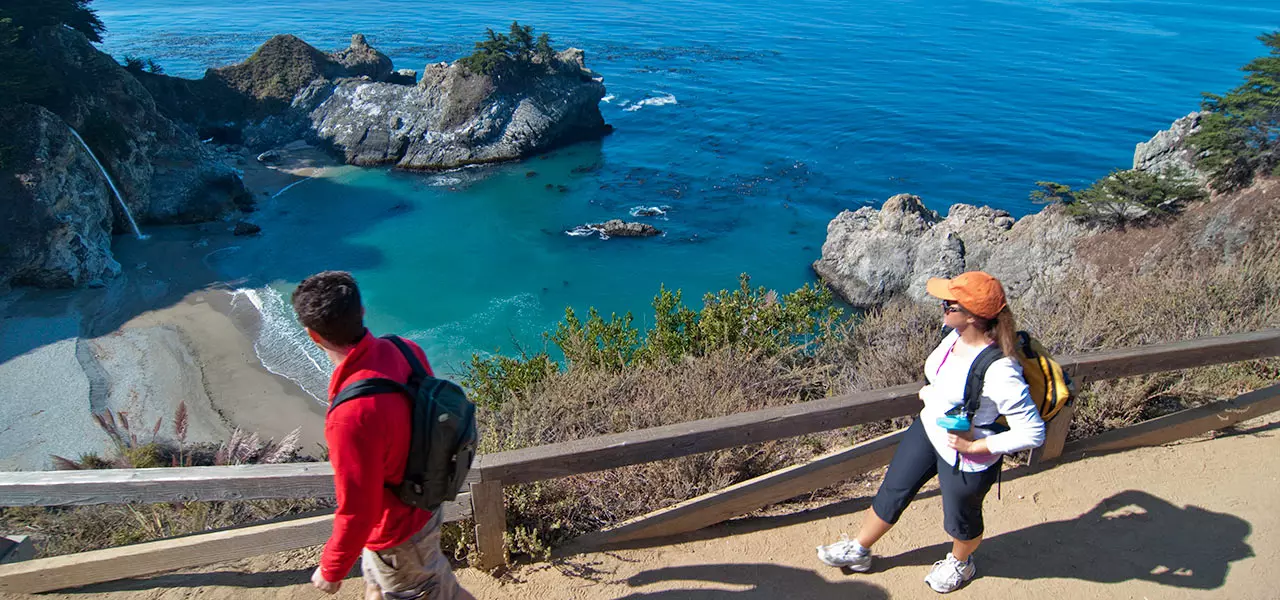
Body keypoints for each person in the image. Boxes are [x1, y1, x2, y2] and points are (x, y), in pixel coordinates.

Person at [816, 271, 1045, 593]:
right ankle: (859, 549)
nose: (941, 306)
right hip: (929, 430)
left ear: (970, 316)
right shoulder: (953, 336)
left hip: (966, 453)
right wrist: (931, 396)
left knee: (961, 518)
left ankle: (961, 563)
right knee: (892, 491)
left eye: (948, 304)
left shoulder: (1001, 371)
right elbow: (943, 382)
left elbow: (1033, 432)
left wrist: (976, 447)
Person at [292, 271, 474, 600]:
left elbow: (358, 509)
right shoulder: (404, 349)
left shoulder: (350, 417)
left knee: (431, 592)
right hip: (426, 498)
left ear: (313, 336)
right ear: (362, 311)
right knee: (386, 585)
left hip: (398, 532)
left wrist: (332, 569)